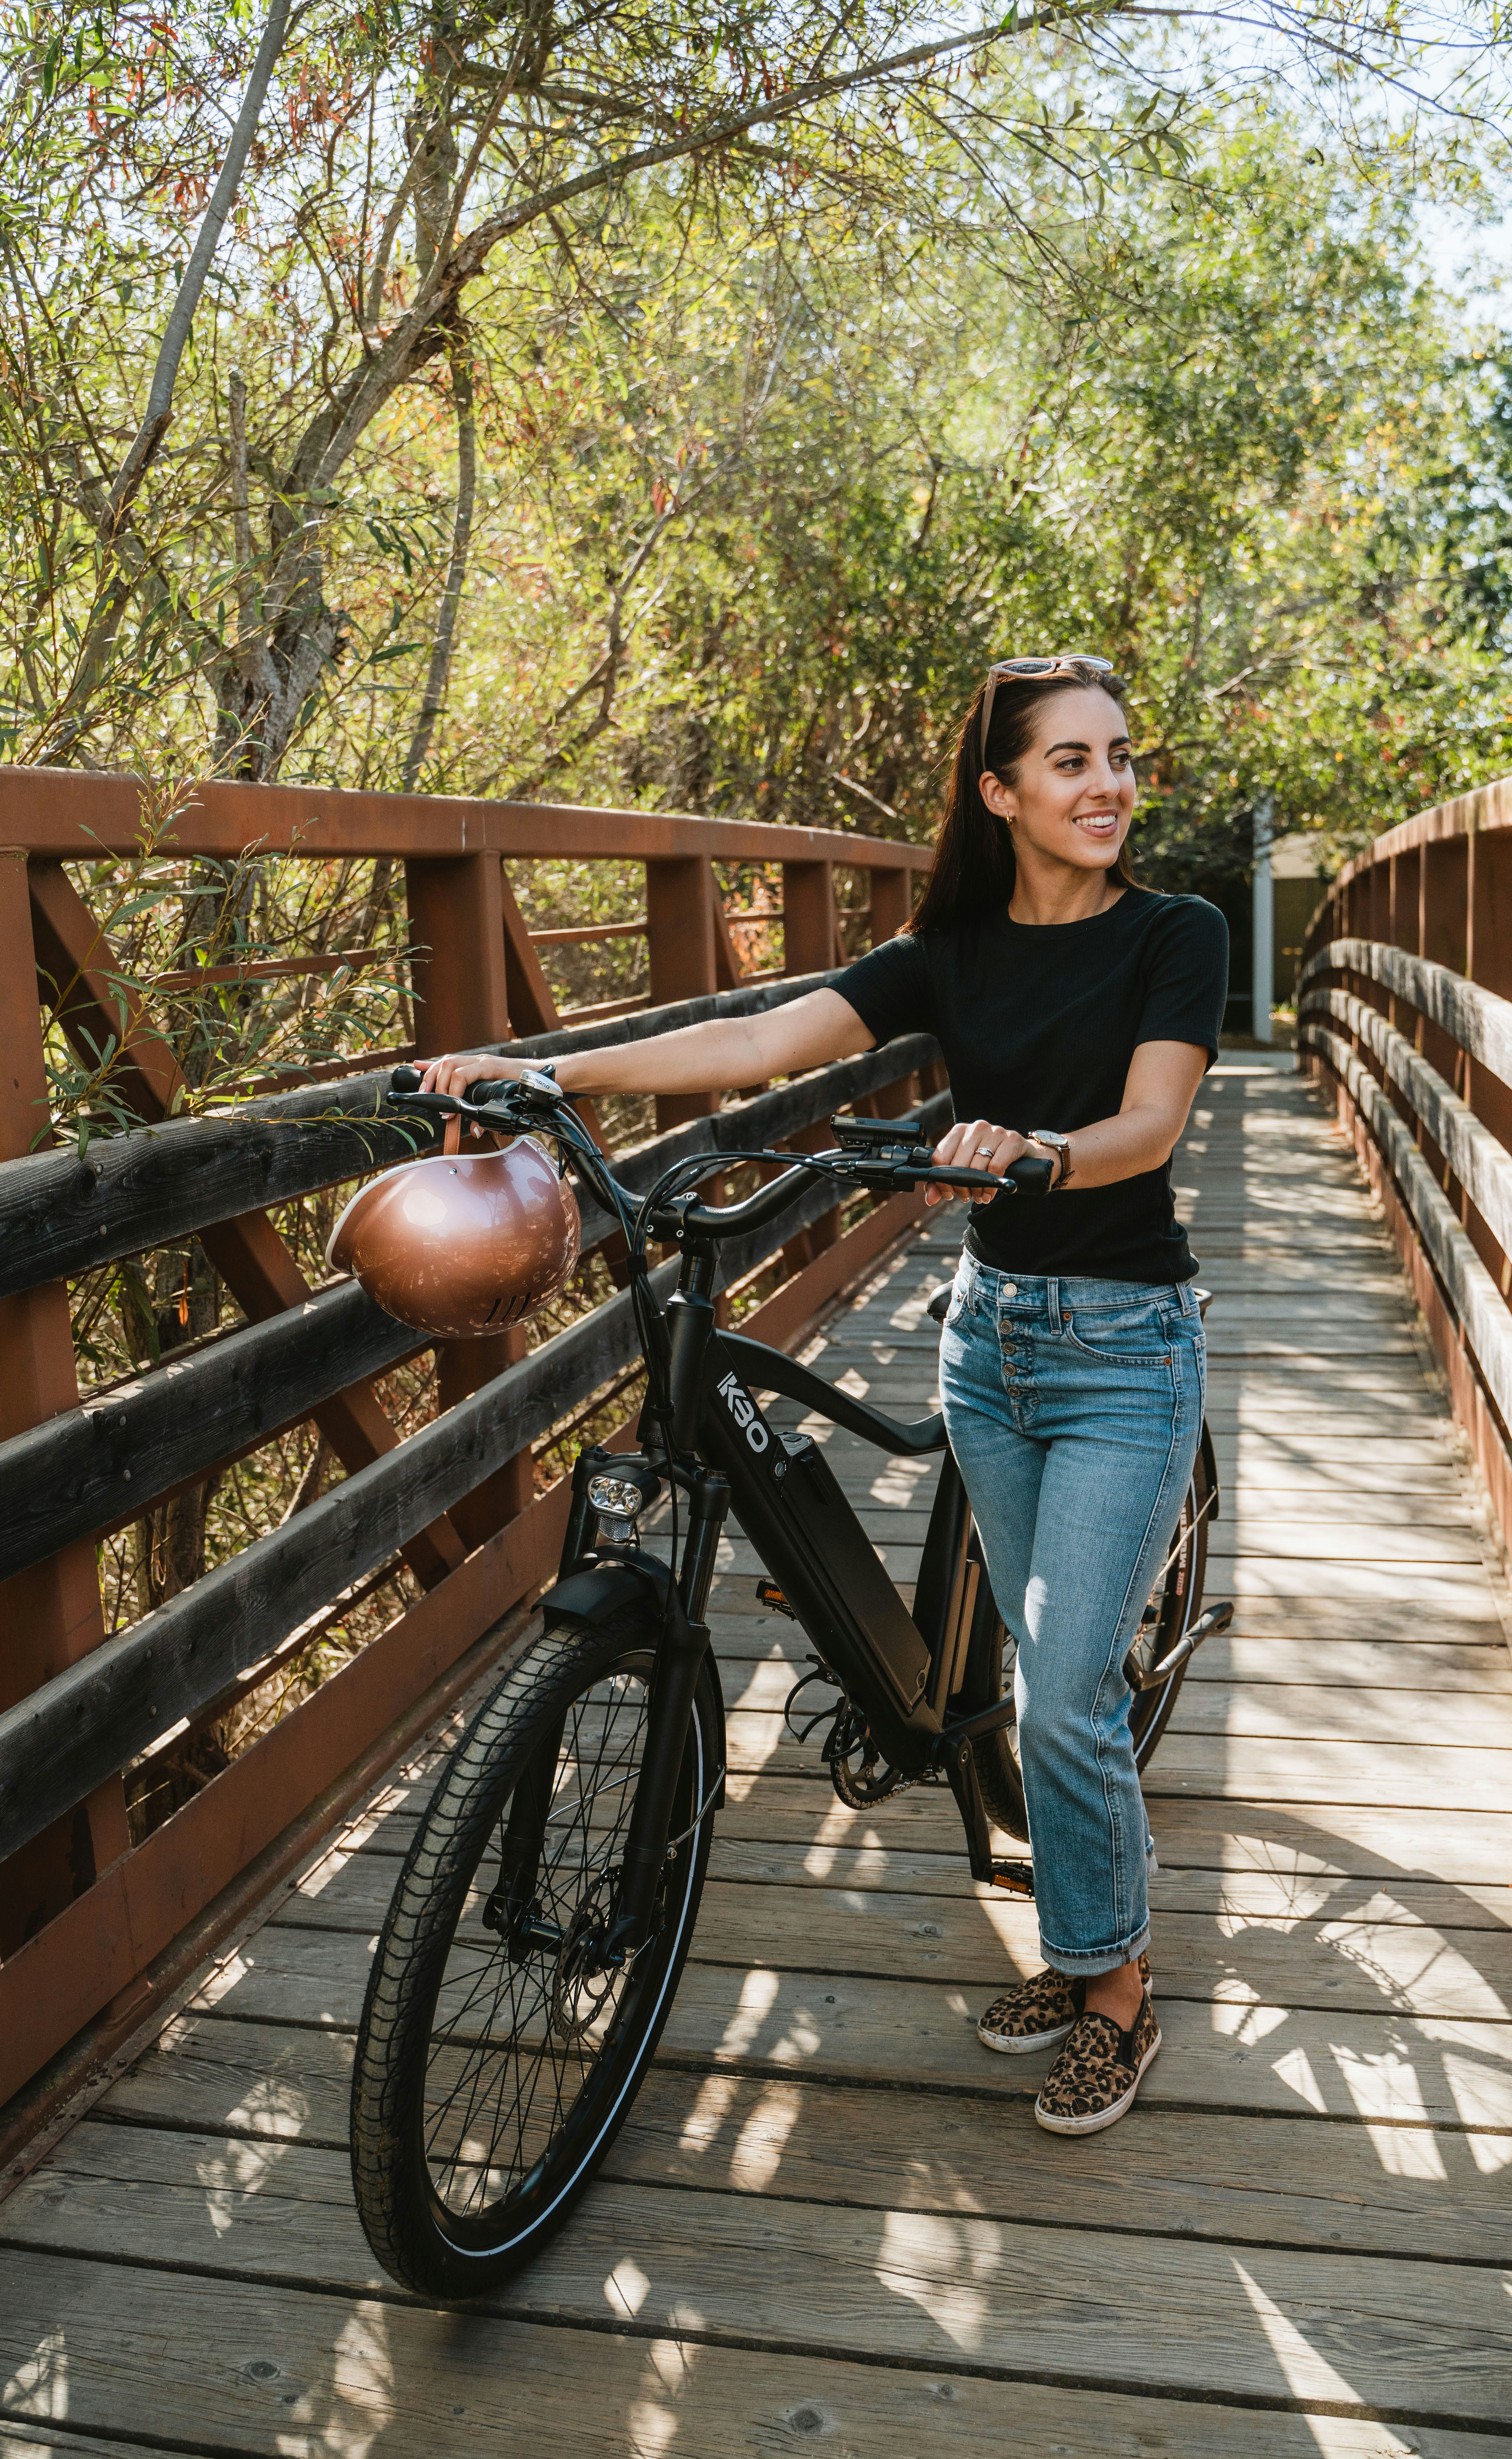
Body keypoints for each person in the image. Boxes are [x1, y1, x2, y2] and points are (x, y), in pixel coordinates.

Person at [417, 653, 1229, 2136]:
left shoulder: (1178, 933)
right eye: (1072, 761)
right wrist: (548, 1073)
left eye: (1120, 756)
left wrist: (1044, 1151)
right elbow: (753, 1040)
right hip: (993, 1344)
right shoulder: (951, 952)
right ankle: (1073, 1923)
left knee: (1060, 1694)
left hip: (1123, 1346)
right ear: (1000, 792)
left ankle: (1117, 1991)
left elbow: (1150, 1122)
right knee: (1013, 1679)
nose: (1110, 783)